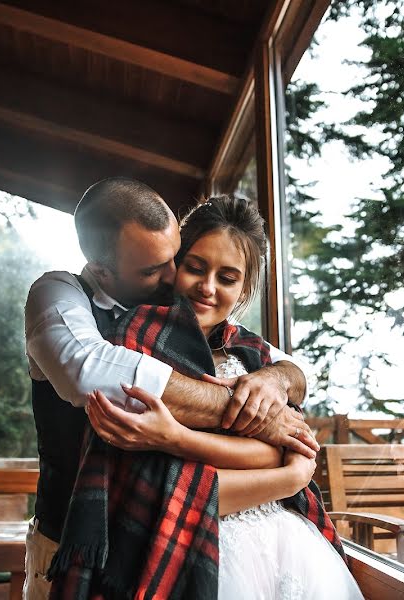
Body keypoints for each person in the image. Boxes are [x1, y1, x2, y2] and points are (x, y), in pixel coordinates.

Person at [23, 178, 318, 600]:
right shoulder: (60, 293)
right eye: (154, 268)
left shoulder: (221, 337)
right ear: (103, 270)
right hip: (74, 545)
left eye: (175, 257)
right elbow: (88, 370)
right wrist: (250, 417)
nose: (172, 276)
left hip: (203, 545)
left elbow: (295, 375)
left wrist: (280, 378)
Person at [75, 195, 363, 599]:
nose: (207, 288)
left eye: (227, 278)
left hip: (288, 545)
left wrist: (175, 438)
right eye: (196, 268)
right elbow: (153, 482)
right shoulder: (138, 337)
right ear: (175, 264)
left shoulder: (253, 355)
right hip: (188, 546)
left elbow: (295, 450)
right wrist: (285, 476)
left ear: (244, 288)